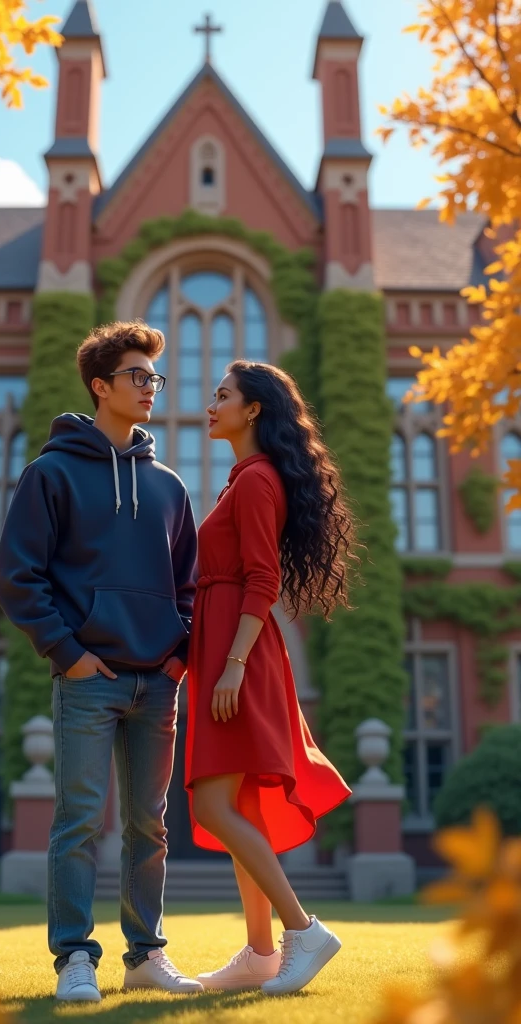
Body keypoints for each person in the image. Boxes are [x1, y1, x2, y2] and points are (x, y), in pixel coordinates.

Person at [0, 321, 203, 1003]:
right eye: (137, 377)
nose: (150, 389)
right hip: (88, 680)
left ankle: (145, 954)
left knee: (151, 826)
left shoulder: (170, 486)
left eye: (154, 378)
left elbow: (189, 588)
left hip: (157, 684)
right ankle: (74, 959)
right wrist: (69, 653)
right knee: (79, 822)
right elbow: (17, 577)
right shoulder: (50, 473)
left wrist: (178, 658)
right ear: (100, 386)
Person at [186, 359, 355, 996]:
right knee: (240, 804)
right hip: (228, 645)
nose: (212, 404)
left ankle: (302, 931)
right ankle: (260, 953)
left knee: (211, 803)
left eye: (222, 395)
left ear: (253, 409)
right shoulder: (245, 479)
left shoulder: (256, 481)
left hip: (240, 652)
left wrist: (231, 665)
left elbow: (263, 579)